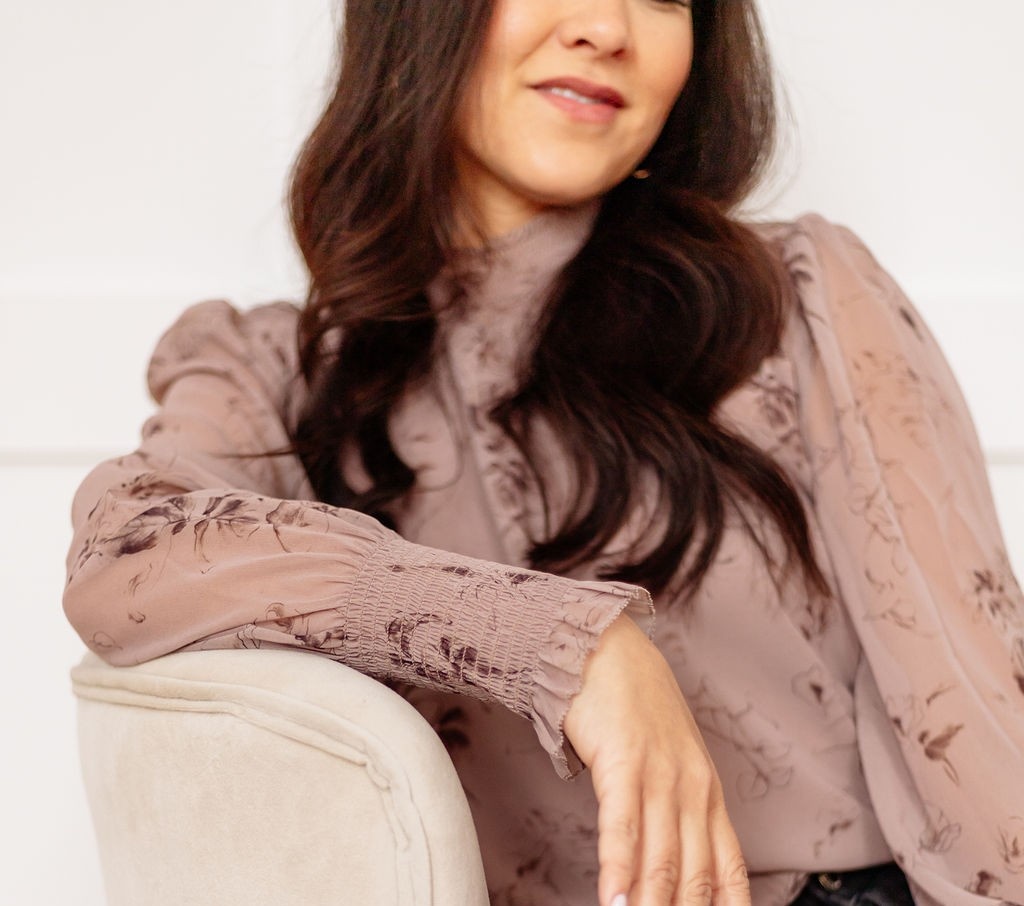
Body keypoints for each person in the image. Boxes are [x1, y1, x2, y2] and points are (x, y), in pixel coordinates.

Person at [63, 1, 1024, 904]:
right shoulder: (277, 370)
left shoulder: (799, 301)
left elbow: (978, 731)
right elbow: (127, 552)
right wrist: (568, 645)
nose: (606, 27)